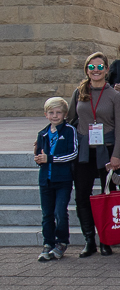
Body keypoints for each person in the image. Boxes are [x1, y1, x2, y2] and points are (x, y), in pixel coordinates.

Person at [67, 52, 120, 257]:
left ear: (106, 69)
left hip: (107, 150)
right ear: (86, 70)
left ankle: (105, 240)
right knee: (82, 196)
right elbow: (69, 119)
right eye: (91, 67)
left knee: (107, 196)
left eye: (100, 67)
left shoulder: (115, 96)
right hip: (84, 151)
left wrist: (116, 155)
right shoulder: (79, 92)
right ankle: (89, 240)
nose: (96, 70)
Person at [34, 97, 78, 262]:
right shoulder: (42, 133)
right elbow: (40, 154)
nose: (55, 116)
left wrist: (51, 159)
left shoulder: (69, 131)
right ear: (46, 114)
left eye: (58, 112)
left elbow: (73, 153)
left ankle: (62, 242)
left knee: (60, 212)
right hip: (45, 179)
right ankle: (48, 243)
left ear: (65, 114)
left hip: (62, 179)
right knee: (47, 214)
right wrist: (39, 159)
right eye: (51, 112)